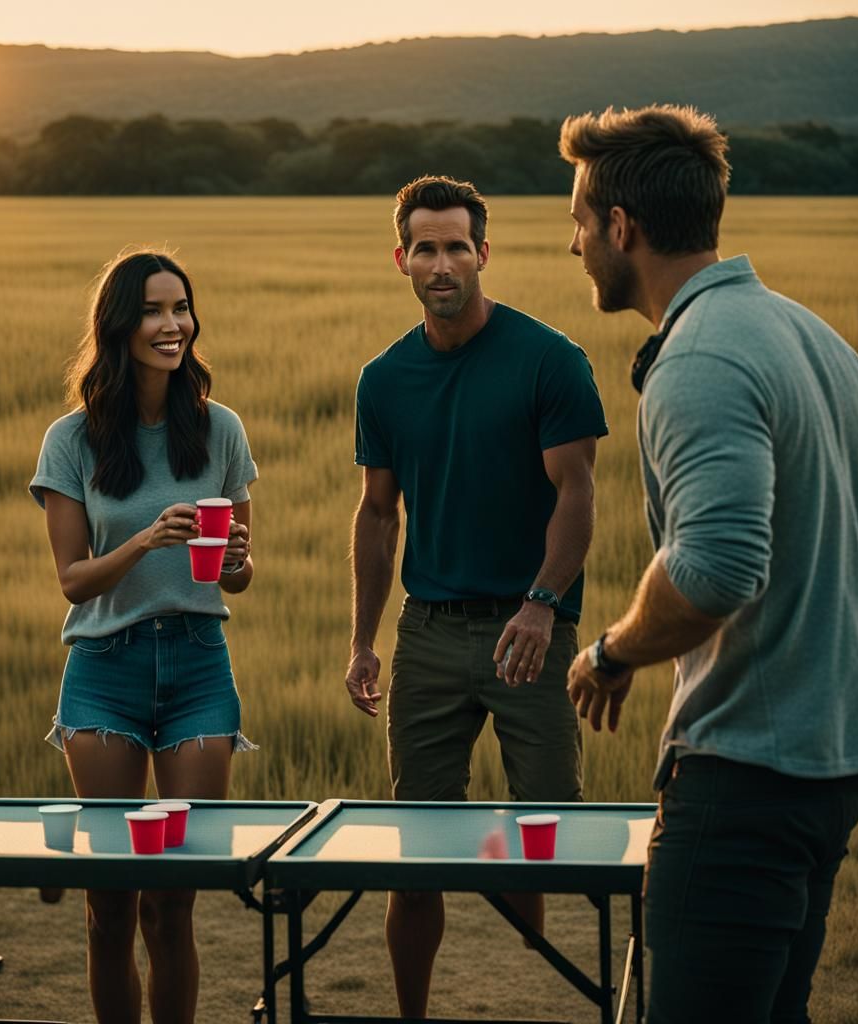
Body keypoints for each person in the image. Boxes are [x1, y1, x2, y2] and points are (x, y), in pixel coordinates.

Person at [559, 105, 858, 1023]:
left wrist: (611, 653)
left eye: (580, 225)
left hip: (745, 774)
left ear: (621, 228)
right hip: (835, 762)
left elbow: (714, 570)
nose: (575, 246)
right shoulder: (815, 336)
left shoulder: (698, 356)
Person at [346, 175, 608, 1018]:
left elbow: (577, 494)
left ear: (483, 254)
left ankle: (565, 965)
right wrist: (363, 639)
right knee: (415, 848)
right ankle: (412, 1011)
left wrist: (541, 604)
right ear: (402, 260)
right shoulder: (384, 380)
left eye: (458, 245)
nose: (443, 261)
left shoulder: (549, 360)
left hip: (530, 625)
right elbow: (378, 515)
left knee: (554, 830)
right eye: (425, 246)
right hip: (429, 631)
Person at [29, 249, 257, 1024]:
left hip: (198, 666)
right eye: (155, 311)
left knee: (173, 902)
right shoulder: (72, 439)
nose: (173, 326)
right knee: (112, 904)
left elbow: (237, 578)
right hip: (104, 669)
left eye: (182, 308)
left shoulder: (218, 428)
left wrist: (235, 561)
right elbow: (73, 579)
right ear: (120, 326)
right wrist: (146, 541)